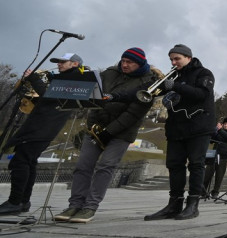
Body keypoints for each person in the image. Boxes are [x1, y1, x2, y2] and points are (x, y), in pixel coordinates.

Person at [53, 48, 159, 223]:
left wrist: (109, 132)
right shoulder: (109, 73)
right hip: (96, 127)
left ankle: (90, 207)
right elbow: (95, 97)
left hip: (122, 132)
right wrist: (93, 124)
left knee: (106, 166)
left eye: (129, 62)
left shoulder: (149, 83)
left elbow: (133, 114)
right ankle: (75, 204)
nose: (124, 65)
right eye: (123, 60)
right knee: (83, 166)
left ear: (139, 64)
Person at [0, 53, 85, 216]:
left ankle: (15, 201)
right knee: (28, 162)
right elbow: (50, 102)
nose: (59, 64)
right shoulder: (64, 79)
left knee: (21, 161)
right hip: (42, 125)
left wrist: (33, 78)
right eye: (58, 62)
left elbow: (50, 97)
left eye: (63, 62)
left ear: (74, 64)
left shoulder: (75, 80)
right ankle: (23, 201)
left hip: (42, 128)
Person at [144, 44, 215, 221]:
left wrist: (175, 86)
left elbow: (201, 94)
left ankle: (193, 204)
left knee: (196, 164)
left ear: (188, 58)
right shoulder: (175, 76)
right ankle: (174, 203)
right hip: (176, 126)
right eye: (171, 59)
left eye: (177, 59)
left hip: (199, 125)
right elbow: (158, 94)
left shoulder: (204, 73)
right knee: (174, 164)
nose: (174, 63)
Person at [204, 117, 227, 199]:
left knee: (219, 175)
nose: (225, 125)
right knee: (207, 173)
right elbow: (212, 140)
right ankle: (203, 191)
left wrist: (220, 130)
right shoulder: (220, 131)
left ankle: (215, 192)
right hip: (213, 154)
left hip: (223, 156)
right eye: (224, 124)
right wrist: (215, 130)